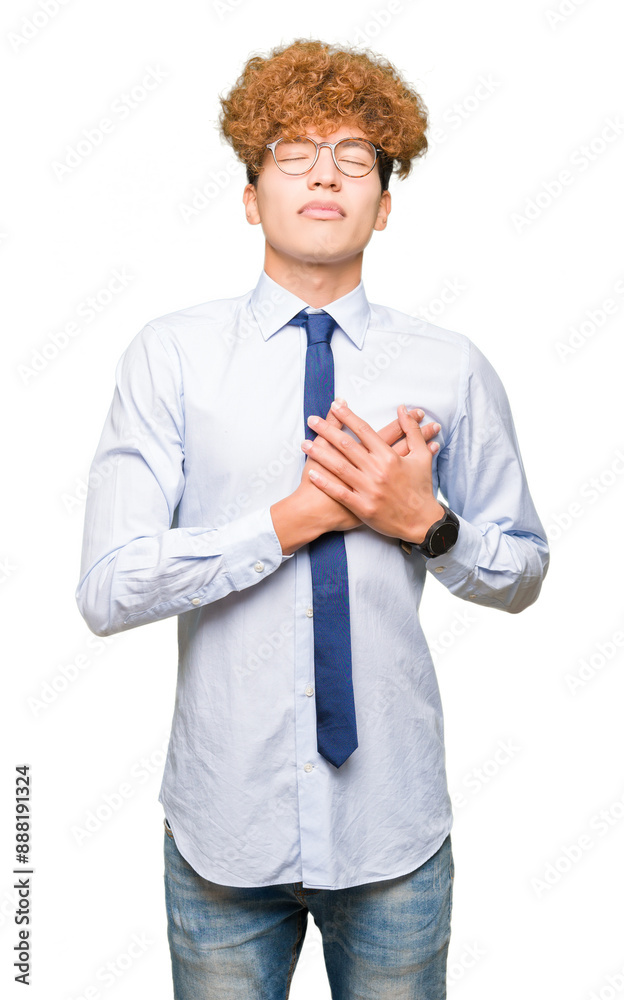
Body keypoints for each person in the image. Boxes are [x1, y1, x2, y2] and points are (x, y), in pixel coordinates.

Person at [76, 37, 549, 1000]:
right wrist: (289, 521)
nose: (325, 175)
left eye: (355, 159)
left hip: (394, 837)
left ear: (386, 201)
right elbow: (108, 586)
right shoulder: (169, 359)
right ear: (251, 195)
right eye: (294, 153)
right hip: (222, 834)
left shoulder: (450, 367)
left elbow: (526, 569)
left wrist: (427, 522)